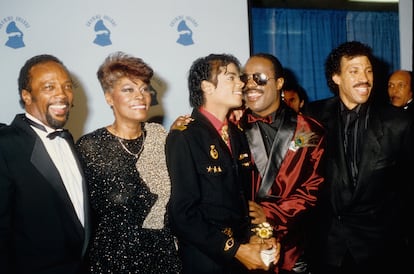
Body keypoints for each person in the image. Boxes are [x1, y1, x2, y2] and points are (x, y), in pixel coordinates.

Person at [165, 53, 280, 274]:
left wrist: (259, 236)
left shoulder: (236, 134)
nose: (242, 83)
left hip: (241, 255)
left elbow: (244, 202)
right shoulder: (185, 136)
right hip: (207, 259)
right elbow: (182, 215)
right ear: (207, 87)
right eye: (231, 78)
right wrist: (234, 250)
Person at [305, 41, 412, 274]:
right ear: (336, 77)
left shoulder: (398, 123)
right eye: (354, 71)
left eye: (368, 70)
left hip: (380, 249)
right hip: (327, 248)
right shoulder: (312, 118)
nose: (364, 78)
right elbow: (300, 175)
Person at [75, 51, 182, 273]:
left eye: (144, 88)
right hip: (112, 262)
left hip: (164, 259)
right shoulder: (90, 146)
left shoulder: (160, 138)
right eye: (128, 89)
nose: (140, 96)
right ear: (108, 97)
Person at [0, 54, 90, 274]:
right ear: (27, 96)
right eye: (49, 87)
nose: (62, 94)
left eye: (67, 86)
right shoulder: (6, 145)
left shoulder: (69, 141)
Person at [238, 53, 325, 274]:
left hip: (292, 248)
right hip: (246, 248)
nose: (250, 85)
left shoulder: (309, 130)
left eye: (258, 78)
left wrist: (269, 212)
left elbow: (314, 189)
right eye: (245, 78)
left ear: (279, 83)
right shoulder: (231, 127)